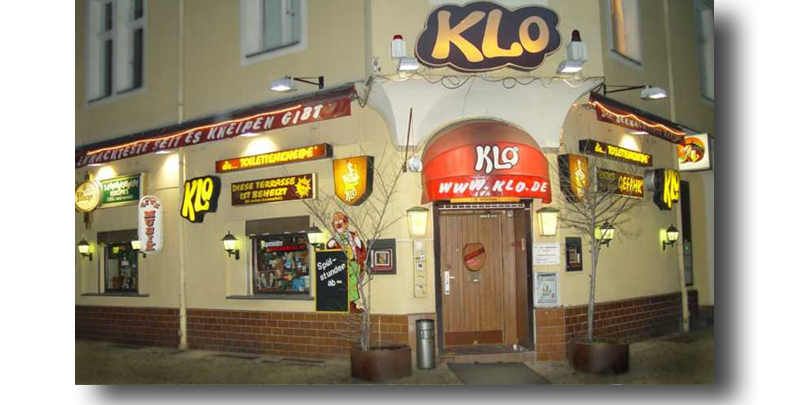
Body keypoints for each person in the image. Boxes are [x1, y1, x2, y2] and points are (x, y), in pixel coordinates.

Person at [326, 212, 366, 313]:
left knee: (353, 284)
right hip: (342, 265)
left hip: (354, 263)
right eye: (336, 222)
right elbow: (329, 246)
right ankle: (348, 304)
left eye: (340, 221)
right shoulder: (335, 238)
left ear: (346, 223)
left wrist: (357, 240)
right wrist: (334, 241)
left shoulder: (351, 235)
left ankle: (351, 304)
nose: (339, 224)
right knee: (345, 284)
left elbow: (360, 247)